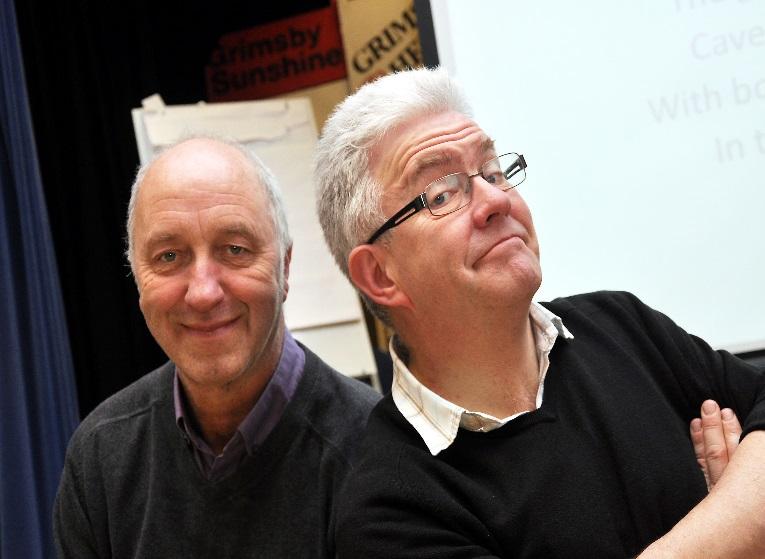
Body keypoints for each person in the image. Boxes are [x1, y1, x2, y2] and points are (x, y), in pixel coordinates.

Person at [313, 67, 765, 558]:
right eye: (442, 193)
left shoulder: (622, 324)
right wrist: (738, 522)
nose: (495, 200)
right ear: (381, 275)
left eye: (493, 172)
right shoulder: (389, 513)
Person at [53, 137, 380, 558]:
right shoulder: (100, 457)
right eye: (169, 257)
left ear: (284, 267)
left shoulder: (377, 455)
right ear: (136, 279)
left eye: (235, 249)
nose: (204, 293)